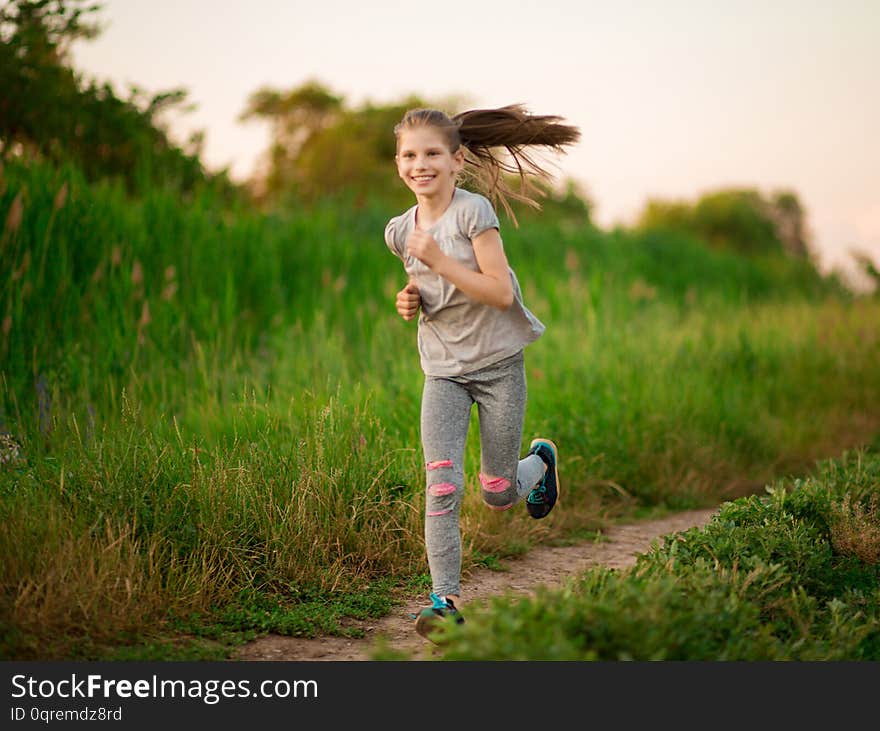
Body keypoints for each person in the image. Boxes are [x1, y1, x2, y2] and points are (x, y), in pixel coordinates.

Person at [383, 105, 580, 640]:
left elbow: (499, 291)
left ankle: (539, 463)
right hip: (443, 371)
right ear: (398, 162)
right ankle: (443, 601)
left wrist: (442, 263)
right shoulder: (401, 231)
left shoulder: (474, 213)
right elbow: (429, 288)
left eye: (431, 154)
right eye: (408, 154)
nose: (419, 164)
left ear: (456, 159)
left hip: (496, 367)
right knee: (441, 486)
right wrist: (410, 299)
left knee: (496, 491)